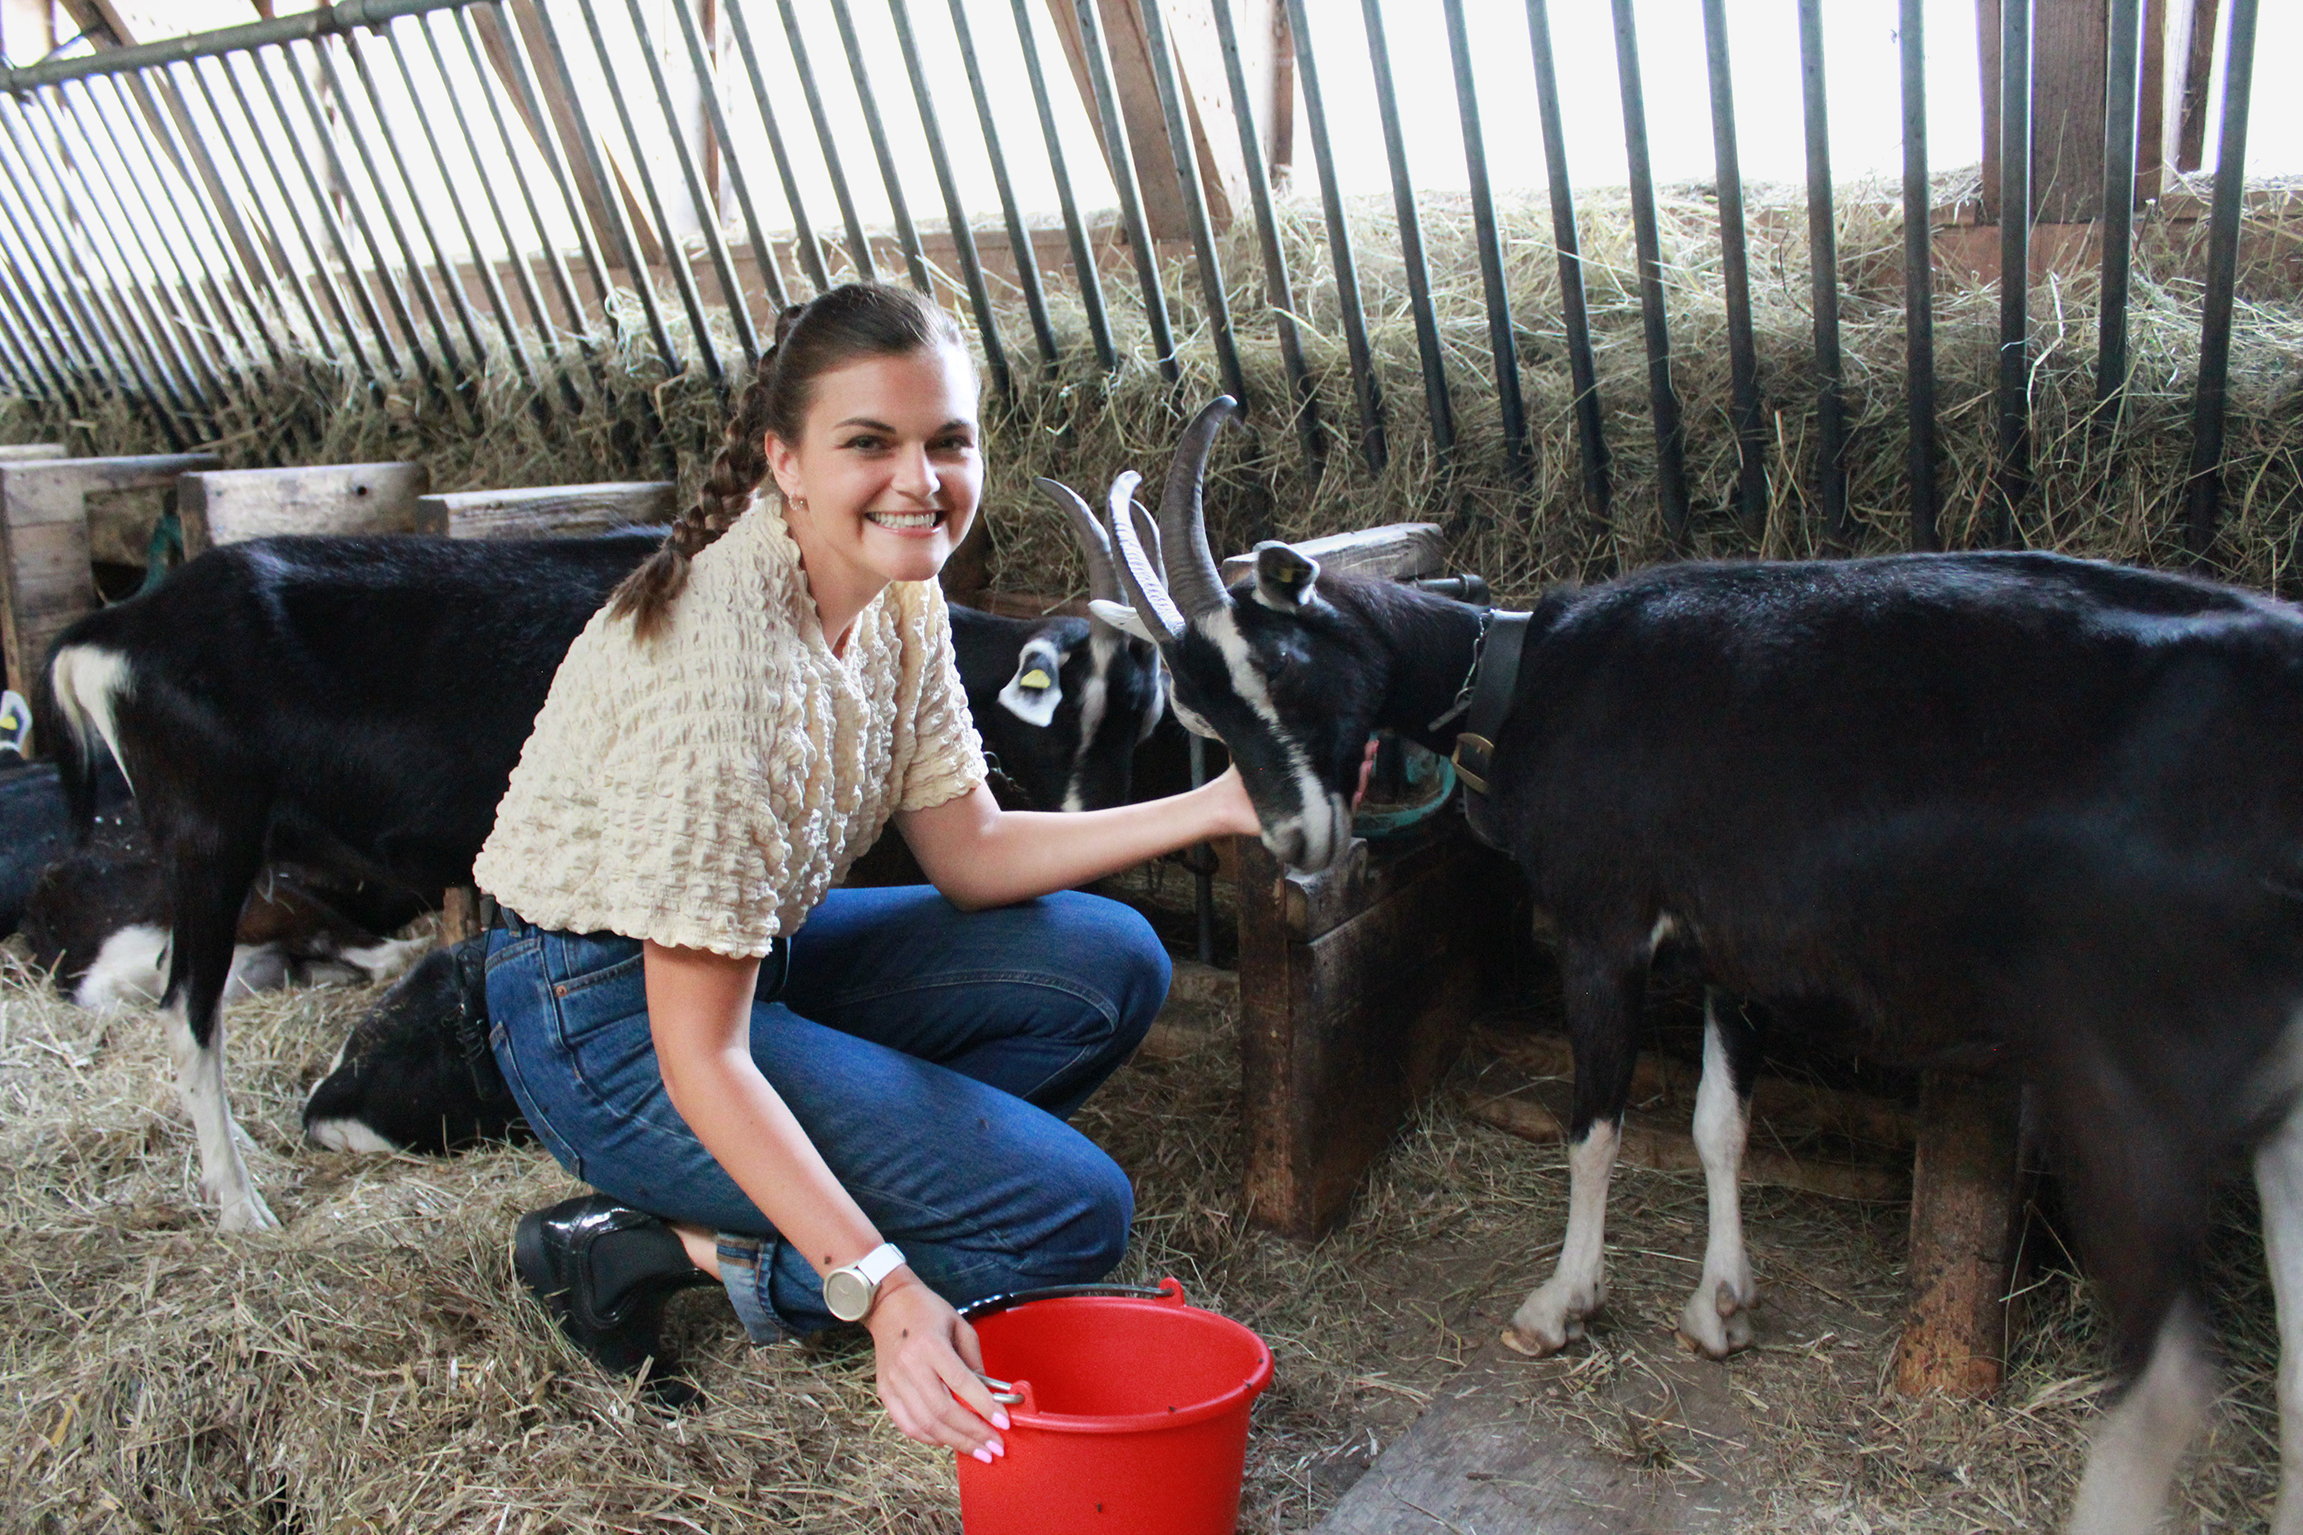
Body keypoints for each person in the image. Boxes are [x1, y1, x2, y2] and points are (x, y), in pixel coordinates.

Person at [472, 282, 1265, 1463]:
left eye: (947, 440)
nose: (918, 478)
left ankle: (886, 1185)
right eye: (868, 443)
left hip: (750, 963)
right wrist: (886, 1288)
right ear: (783, 460)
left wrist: (1216, 805)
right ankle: (649, 1247)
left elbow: (969, 852)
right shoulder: (723, 668)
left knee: (1111, 960)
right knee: (1066, 1215)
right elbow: (701, 1054)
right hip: (605, 1025)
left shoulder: (898, 594)